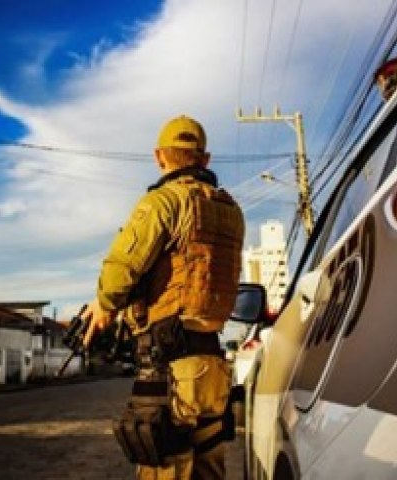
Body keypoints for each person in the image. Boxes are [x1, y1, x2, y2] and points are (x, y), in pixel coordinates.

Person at [82, 115, 245, 479]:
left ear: (159, 157)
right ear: (205, 159)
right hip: (213, 366)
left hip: (168, 367)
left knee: (164, 470)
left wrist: (104, 305)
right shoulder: (232, 210)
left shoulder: (162, 201)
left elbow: (120, 270)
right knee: (209, 470)